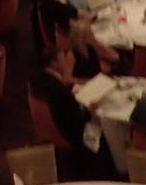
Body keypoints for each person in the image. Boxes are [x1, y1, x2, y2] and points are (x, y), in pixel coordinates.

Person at [29, 45, 103, 175]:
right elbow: (76, 119)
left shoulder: (40, 79)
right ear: (54, 63)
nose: (69, 60)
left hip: (55, 127)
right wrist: (89, 109)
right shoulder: (58, 90)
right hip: (72, 134)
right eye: (64, 57)